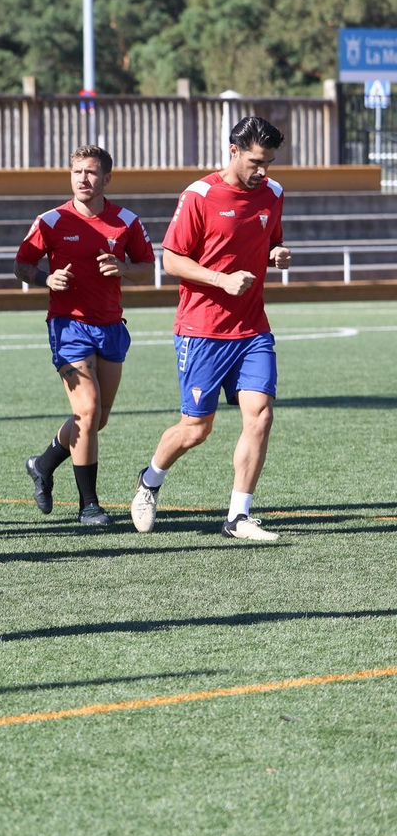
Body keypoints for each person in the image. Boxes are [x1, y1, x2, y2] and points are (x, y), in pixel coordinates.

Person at [130, 115, 290, 540]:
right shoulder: (199, 195)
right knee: (196, 429)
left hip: (253, 328)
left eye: (269, 163)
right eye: (256, 162)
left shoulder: (272, 193)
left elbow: (270, 238)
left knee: (260, 416)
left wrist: (276, 253)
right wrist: (221, 279)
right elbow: (172, 259)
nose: (263, 172)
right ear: (233, 151)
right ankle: (149, 481)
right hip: (202, 329)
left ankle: (238, 515)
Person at [14, 144, 155, 525]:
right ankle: (88, 505)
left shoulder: (126, 221)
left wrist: (123, 269)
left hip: (110, 326)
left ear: (107, 178)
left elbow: (147, 269)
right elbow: (22, 265)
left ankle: (42, 464)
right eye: (77, 172)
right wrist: (47, 278)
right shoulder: (51, 220)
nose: (83, 179)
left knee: (97, 418)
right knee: (87, 410)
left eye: (91, 172)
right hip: (68, 324)